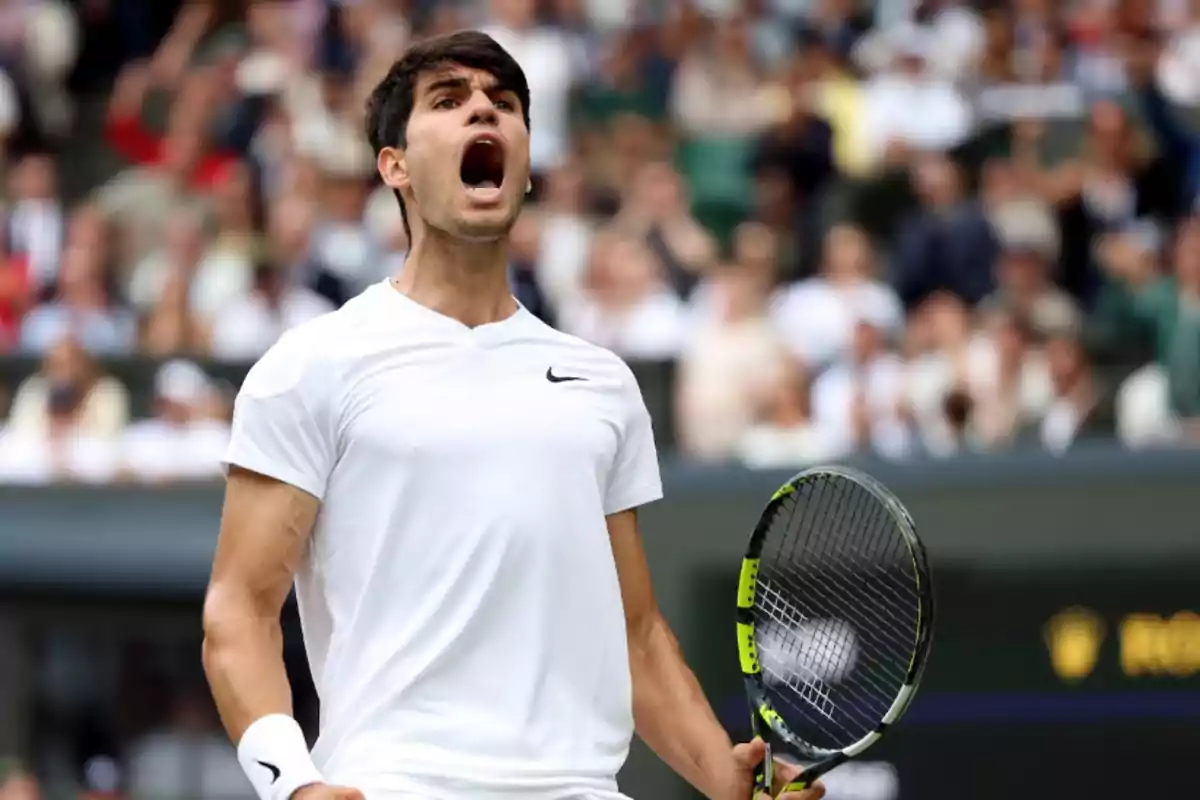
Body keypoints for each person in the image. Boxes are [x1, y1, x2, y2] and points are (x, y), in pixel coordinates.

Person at [201, 30, 825, 800]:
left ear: (525, 167)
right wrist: (292, 782)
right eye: (448, 101)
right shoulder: (310, 366)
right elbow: (239, 610)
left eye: (503, 104)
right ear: (393, 165)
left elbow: (634, 635)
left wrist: (720, 775)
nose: (482, 113)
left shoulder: (602, 384)